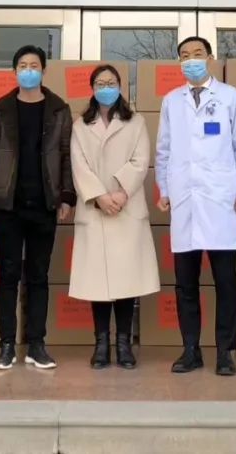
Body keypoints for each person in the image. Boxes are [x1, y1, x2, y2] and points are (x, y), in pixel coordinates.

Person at [155, 37, 236, 376]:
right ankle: (190, 350)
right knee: (185, 284)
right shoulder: (172, 100)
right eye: (184, 56)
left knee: (225, 282)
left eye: (197, 54)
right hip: (184, 200)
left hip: (221, 200)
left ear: (210, 58)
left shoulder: (230, 97)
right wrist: (164, 188)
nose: (191, 61)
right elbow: (164, 150)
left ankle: (225, 351)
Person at [0, 45, 75, 371]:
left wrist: (66, 196)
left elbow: (67, 156)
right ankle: (6, 344)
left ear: (44, 71)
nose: (28, 70)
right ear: (15, 71)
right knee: (8, 275)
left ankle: (36, 344)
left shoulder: (59, 109)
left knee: (38, 276)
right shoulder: (0, 109)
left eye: (34, 65)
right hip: (7, 206)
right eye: (23, 65)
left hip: (44, 205)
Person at [68, 64, 159, 370]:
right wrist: (99, 196)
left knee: (125, 282)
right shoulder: (81, 125)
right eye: (100, 83)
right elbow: (78, 164)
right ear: (92, 88)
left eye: (111, 82)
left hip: (126, 208)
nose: (106, 87)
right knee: (97, 283)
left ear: (120, 87)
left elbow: (141, 160)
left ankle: (123, 343)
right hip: (95, 210)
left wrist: (121, 192)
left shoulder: (136, 122)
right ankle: (101, 344)